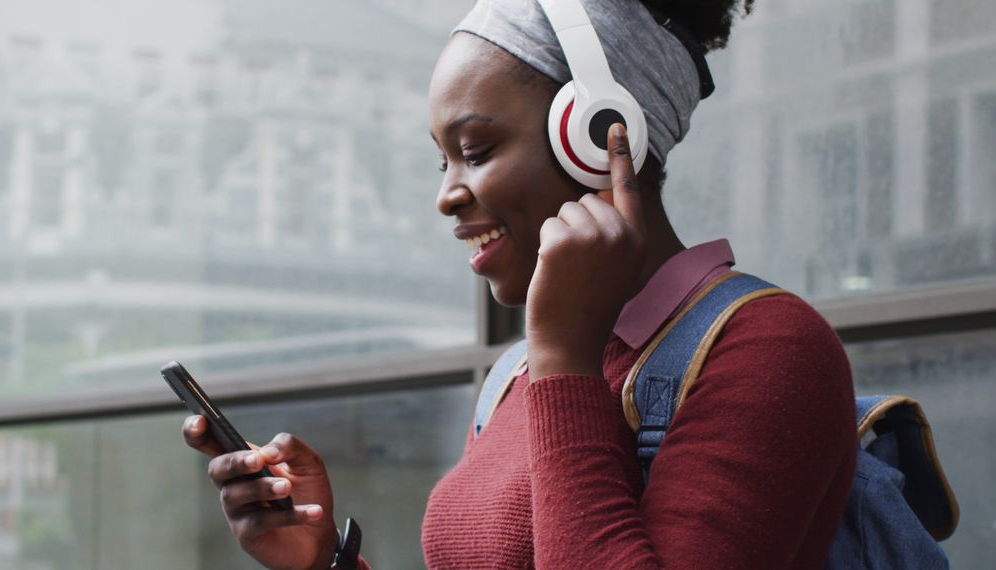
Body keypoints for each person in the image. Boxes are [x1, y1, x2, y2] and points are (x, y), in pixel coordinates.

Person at [183, 1, 857, 568]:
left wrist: (568, 361)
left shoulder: (769, 348)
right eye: (441, 160)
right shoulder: (516, 373)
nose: (447, 196)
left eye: (474, 152)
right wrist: (326, 557)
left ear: (598, 136)